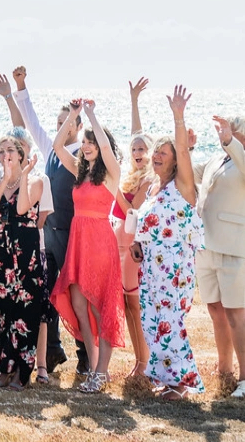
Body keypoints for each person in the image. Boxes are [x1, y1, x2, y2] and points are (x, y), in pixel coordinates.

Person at [12, 66, 88, 374]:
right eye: (57, 122)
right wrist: (21, 86)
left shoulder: (83, 154)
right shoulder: (50, 150)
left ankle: (84, 353)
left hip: (73, 233)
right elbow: (31, 121)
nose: (60, 127)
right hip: (49, 234)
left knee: (77, 293)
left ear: (77, 125)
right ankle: (53, 349)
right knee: (49, 292)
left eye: (66, 122)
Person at [131, 85, 203, 400]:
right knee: (153, 322)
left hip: (175, 270)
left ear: (175, 160)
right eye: (155, 152)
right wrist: (137, 244)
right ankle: (168, 378)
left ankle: (183, 383)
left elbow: (185, 152)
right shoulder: (153, 190)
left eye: (164, 152)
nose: (156, 156)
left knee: (171, 322)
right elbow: (146, 225)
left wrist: (178, 116)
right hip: (151, 268)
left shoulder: (182, 186)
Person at [49, 98, 125, 394]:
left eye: (92, 141)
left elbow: (105, 148)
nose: (88, 145)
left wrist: (92, 115)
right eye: (85, 141)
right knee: (80, 305)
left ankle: (101, 372)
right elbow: (57, 147)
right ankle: (94, 368)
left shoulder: (110, 173)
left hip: (99, 244)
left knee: (98, 307)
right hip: (78, 243)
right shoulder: (79, 171)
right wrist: (73, 115)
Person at [0, 135, 45, 389]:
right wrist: (6, 180)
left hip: (26, 252)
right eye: (2, 151)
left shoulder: (37, 180)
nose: (6, 154)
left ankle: (23, 371)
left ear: (20, 154)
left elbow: (20, 209)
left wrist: (23, 175)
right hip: (1, 252)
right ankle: (4, 367)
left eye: (11, 150)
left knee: (26, 312)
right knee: (6, 312)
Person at [196, 110, 245, 398]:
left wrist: (231, 142)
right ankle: (224, 372)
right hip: (206, 246)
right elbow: (189, 172)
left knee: (236, 313)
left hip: (233, 248)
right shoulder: (217, 159)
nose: (228, 134)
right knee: (215, 310)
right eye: (228, 130)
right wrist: (186, 145)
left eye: (236, 130)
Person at [116, 76, 156, 379]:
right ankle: (139, 361)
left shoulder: (147, 179)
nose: (137, 151)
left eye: (143, 149)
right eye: (134, 149)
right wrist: (133, 101)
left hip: (134, 247)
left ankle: (145, 363)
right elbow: (136, 135)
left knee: (136, 304)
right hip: (119, 243)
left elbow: (134, 210)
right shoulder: (130, 174)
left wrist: (109, 186)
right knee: (128, 305)